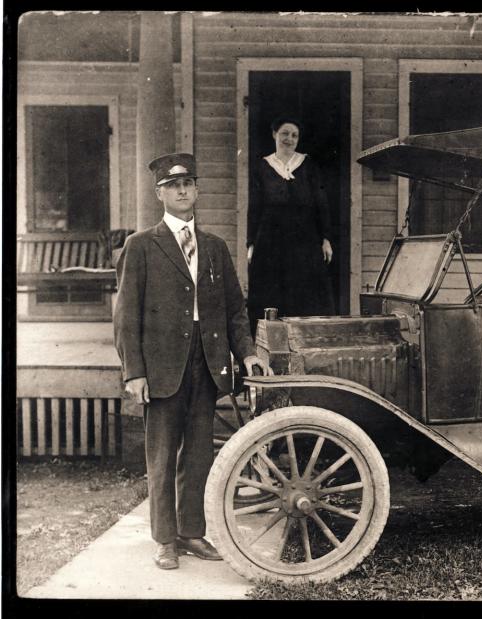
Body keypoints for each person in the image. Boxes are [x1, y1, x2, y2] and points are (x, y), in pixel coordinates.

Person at [114, 152, 273, 570]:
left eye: (188, 184)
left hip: (208, 362)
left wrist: (249, 354)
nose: (182, 191)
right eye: (173, 185)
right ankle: (165, 540)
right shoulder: (141, 246)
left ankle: (190, 532)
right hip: (163, 366)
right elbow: (126, 315)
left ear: (197, 190)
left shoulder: (216, 248)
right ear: (159, 194)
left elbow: (236, 310)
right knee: (163, 455)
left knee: (199, 453)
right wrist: (134, 372)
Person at [246, 117, 335, 336]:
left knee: (305, 292)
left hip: (304, 240)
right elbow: (254, 207)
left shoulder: (308, 165)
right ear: (275, 134)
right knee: (271, 292)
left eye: (294, 135)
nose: (289, 139)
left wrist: (325, 238)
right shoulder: (262, 167)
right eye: (285, 133)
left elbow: (321, 203)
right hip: (270, 239)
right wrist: (251, 243)